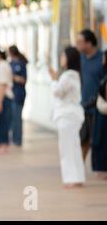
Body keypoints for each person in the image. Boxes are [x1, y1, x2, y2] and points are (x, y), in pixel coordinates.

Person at [49, 46, 85, 188]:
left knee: (67, 148)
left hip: (67, 115)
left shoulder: (68, 75)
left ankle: (71, 178)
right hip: (71, 115)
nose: (61, 58)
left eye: (63, 55)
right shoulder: (74, 75)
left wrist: (53, 80)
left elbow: (58, 92)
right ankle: (77, 177)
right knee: (73, 147)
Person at [76, 29, 104, 160]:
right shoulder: (80, 59)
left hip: (99, 107)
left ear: (89, 43)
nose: (77, 45)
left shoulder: (102, 58)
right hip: (83, 106)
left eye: (80, 42)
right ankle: (79, 167)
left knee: (99, 140)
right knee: (82, 139)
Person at [8, 45, 28, 147]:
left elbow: (24, 80)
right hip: (11, 94)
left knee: (17, 118)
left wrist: (14, 78)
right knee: (11, 118)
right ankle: (12, 138)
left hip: (19, 94)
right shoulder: (9, 64)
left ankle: (18, 140)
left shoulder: (21, 64)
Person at [92, 50, 107, 179]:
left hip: (104, 114)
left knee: (102, 140)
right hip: (101, 112)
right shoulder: (103, 75)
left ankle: (102, 168)